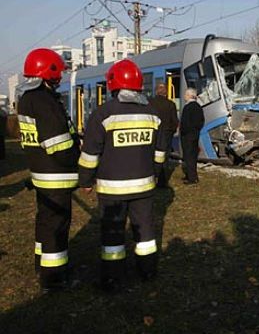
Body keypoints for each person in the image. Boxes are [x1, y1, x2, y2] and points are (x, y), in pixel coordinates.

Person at [78, 59, 167, 292]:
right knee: (146, 232)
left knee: (113, 234)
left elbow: (90, 153)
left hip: (112, 190)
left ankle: (113, 279)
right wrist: (155, 174)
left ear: (113, 85)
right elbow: (160, 152)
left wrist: (85, 181)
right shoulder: (153, 114)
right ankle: (148, 271)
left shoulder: (103, 114)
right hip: (144, 188)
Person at [16, 48, 80, 292]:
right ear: (48, 71)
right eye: (58, 72)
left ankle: (41, 264)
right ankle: (54, 278)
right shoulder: (43, 100)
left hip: (41, 173)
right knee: (57, 225)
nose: (61, 77)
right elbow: (59, 144)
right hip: (56, 175)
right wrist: (77, 157)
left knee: (45, 221)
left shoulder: (27, 98)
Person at [149, 82, 179, 187]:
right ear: (166, 92)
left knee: (150, 156)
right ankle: (162, 181)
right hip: (166, 134)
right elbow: (175, 121)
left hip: (152, 133)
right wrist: (171, 131)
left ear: (156, 91)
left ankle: (150, 179)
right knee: (164, 158)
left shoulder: (150, 103)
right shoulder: (171, 104)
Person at [180, 88, 204, 184]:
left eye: (186, 94)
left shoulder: (187, 107)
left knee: (188, 156)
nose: (184, 96)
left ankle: (191, 178)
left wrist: (184, 132)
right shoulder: (198, 106)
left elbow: (184, 123)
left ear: (190, 96)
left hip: (187, 136)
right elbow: (201, 121)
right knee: (193, 156)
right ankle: (193, 175)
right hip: (195, 135)